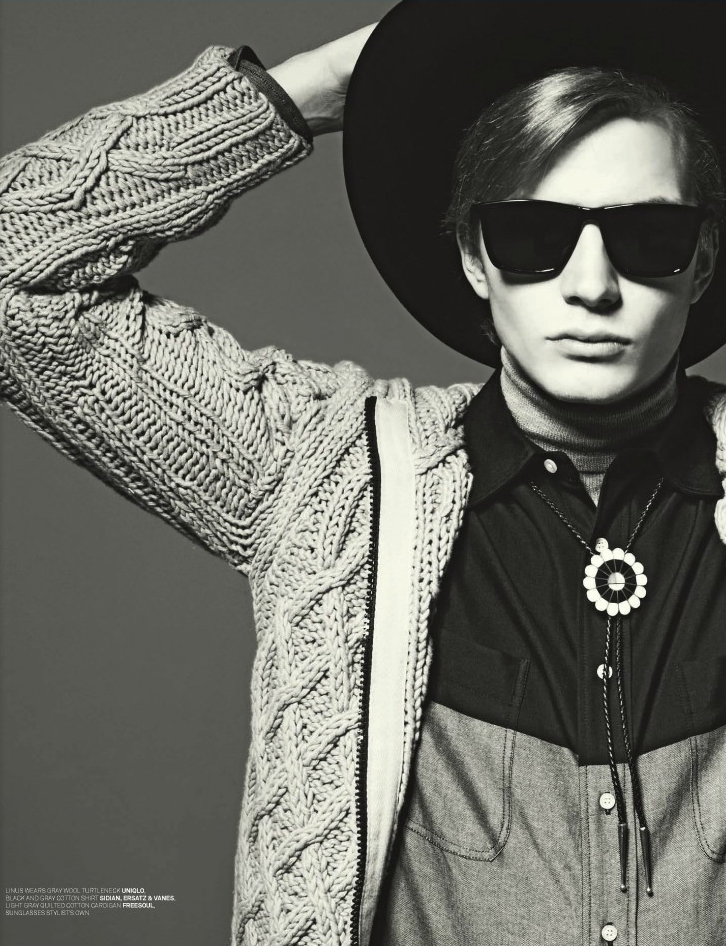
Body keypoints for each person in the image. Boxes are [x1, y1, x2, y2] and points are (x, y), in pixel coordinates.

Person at [1, 4, 724, 946]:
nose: (592, 286)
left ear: (701, 263)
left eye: (649, 237)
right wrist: (321, 88)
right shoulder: (321, 468)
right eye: (533, 236)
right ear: (473, 258)